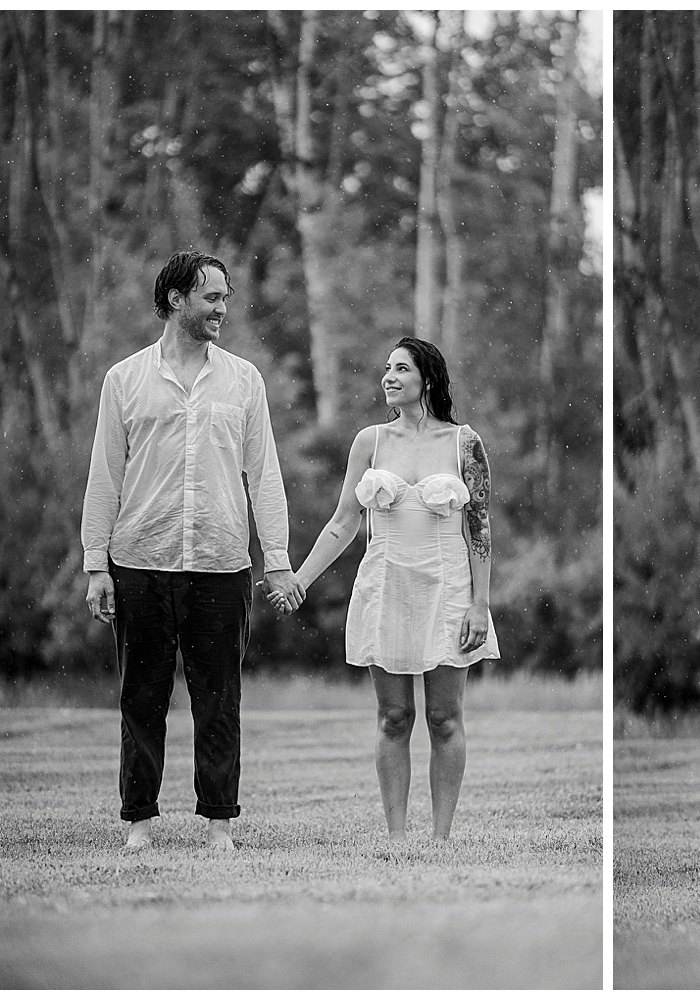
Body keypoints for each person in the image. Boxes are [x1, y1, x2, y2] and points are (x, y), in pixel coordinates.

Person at [80, 249, 301, 852]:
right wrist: (95, 563)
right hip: (139, 560)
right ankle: (139, 824)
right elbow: (105, 475)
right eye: (212, 297)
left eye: (225, 297)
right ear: (176, 299)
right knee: (140, 698)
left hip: (221, 562)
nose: (222, 309)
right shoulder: (124, 381)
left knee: (219, 699)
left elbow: (265, 475)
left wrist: (276, 558)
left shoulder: (243, 381)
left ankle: (219, 823)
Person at [288, 337, 497, 841]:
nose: (389, 376)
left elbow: (481, 526)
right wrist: (300, 579)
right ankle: (397, 839)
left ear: (427, 378)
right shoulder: (369, 442)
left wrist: (479, 604)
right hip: (387, 582)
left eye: (401, 368)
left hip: (448, 585)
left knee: (445, 717)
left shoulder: (464, 442)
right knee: (393, 715)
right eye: (386, 368)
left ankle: (441, 839)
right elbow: (342, 524)